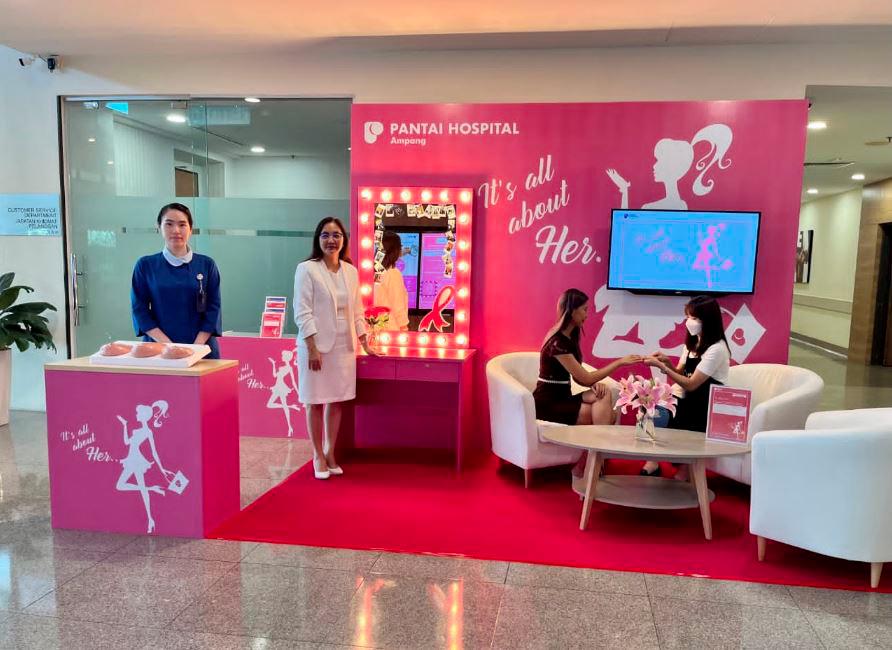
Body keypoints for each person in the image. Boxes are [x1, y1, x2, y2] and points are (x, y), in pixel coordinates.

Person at [294, 217, 375, 480]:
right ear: (318, 240)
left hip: (344, 346)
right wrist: (312, 347)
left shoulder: (350, 271)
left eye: (336, 235)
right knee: (314, 402)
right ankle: (317, 454)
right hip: (317, 345)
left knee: (337, 401)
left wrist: (365, 341)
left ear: (344, 239)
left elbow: (358, 310)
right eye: (325, 235)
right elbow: (302, 312)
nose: (331, 240)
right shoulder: (307, 269)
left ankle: (330, 452)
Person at [534, 288, 641, 477]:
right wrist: (619, 362)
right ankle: (591, 466)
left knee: (604, 393)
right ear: (572, 310)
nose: (587, 314)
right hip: (548, 403)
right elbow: (584, 378)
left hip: (563, 397)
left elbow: (578, 378)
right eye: (584, 309)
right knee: (605, 415)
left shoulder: (569, 338)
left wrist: (593, 385)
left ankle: (588, 465)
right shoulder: (558, 343)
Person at [641, 295, 731, 478]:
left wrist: (663, 368)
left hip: (704, 406)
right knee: (653, 411)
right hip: (686, 399)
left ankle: (686, 469)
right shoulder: (692, 342)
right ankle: (653, 461)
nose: (689, 322)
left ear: (708, 321)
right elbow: (682, 373)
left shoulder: (717, 348)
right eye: (688, 317)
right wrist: (668, 362)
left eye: (694, 318)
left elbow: (691, 384)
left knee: (681, 479)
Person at [131, 203, 222, 358]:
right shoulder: (145, 266)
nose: (176, 230)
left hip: (201, 349)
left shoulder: (207, 265)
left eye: (182, 224)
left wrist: (195, 348)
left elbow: (213, 308)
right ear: (159, 227)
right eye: (169, 224)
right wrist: (169, 346)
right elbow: (140, 311)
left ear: (191, 229)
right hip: (158, 349)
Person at [115, 400, 174, 534]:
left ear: (143, 416)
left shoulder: (148, 432)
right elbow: (126, 442)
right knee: (120, 485)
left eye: (137, 413)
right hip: (130, 460)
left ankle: (150, 519)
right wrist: (124, 425)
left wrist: (162, 469)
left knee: (141, 490)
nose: (136, 415)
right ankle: (151, 489)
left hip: (138, 461)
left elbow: (154, 452)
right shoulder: (136, 430)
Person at [373, 231, 410, 331]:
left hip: (377, 328)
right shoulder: (393, 273)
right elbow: (398, 306)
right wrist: (404, 328)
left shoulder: (375, 273)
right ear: (394, 250)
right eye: (400, 247)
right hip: (392, 330)